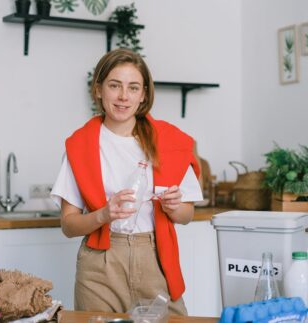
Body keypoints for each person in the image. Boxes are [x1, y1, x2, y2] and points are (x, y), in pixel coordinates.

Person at [51, 48, 203, 315]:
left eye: (133, 88)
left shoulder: (171, 142)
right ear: (99, 90)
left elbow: (187, 215)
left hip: (156, 258)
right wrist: (103, 214)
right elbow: (68, 225)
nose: (123, 96)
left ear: (143, 95)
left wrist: (173, 207)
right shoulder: (80, 146)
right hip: (100, 265)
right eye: (114, 85)